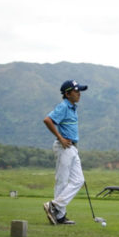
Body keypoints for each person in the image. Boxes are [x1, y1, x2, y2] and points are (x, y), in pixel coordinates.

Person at [42, 80, 88, 225]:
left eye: (79, 91)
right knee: (62, 181)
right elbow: (47, 120)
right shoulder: (63, 106)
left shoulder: (73, 108)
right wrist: (60, 137)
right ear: (67, 94)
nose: (79, 93)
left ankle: (55, 207)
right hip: (64, 146)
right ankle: (58, 214)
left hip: (72, 147)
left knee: (78, 180)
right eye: (76, 91)